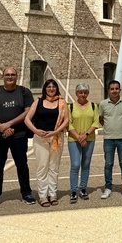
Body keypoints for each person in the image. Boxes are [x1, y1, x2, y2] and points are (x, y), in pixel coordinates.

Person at [0, 67, 36, 209]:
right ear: (3, 76)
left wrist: (9, 124)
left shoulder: (24, 92)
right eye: (7, 75)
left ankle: (26, 193)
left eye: (12, 75)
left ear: (17, 77)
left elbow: (28, 111)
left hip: (19, 135)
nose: (10, 77)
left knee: (22, 164)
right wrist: (0, 126)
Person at [24, 79, 69, 207]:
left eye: (53, 87)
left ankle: (52, 194)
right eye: (48, 87)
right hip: (41, 138)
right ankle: (43, 195)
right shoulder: (38, 102)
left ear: (56, 88)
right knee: (42, 167)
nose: (51, 89)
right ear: (44, 89)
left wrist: (56, 132)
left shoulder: (61, 102)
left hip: (56, 138)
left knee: (54, 167)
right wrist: (36, 131)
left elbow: (66, 120)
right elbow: (27, 119)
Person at [98, 80, 122, 199]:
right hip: (109, 139)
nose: (114, 91)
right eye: (112, 89)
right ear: (108, 90)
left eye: (116, 88)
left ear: (120, 90)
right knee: (108, 164)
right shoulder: (103, 104)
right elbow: (101, 119)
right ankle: (108, 188)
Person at [66, 83, 99, 203]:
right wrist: (78, 137)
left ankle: (83, 188)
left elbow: (96, 122)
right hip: (73, 140)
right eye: (80, 92)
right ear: (76, 93)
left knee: (86, 164)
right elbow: (68, 124)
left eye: (85, 92)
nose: (83, 94)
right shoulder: (70, 107)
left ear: (88, 93)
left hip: (89, 139)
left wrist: (84, 136)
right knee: (75, 165)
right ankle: (74, 190)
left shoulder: (94, 106)